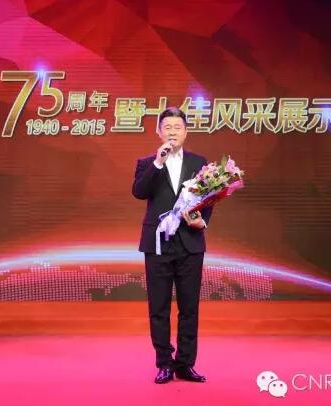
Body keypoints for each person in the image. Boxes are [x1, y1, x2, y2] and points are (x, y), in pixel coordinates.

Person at [132, 107, 213, 384]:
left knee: (189, 308)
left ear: (186, 132)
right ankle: (164, 363)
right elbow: (139, 192)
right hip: (158, 244)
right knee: (159, 307)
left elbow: (208, 198)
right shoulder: (147, 163)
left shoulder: (199, 162)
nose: (173, 132)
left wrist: (202, 222)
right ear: (159, 132)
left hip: (190, 243)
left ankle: (185, 364)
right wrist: (158, 162)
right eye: (167, 127)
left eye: (178, 127)